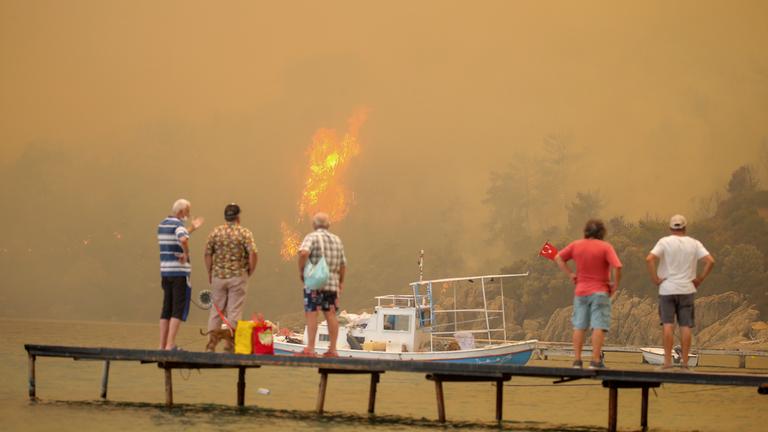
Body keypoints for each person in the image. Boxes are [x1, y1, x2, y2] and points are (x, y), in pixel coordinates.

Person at [646, 214, 714, 369]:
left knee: (668, 326)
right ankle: (684, 363)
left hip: (667, 289)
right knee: (685, 326)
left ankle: (667, 362)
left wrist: (656, 279)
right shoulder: (694, 244)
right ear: (685, 228)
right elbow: (710, 261)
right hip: (687, 290)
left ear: (670, 228)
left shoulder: (664, 242)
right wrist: (699, 279)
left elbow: (649, 259)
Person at [555, 219, 622, 369]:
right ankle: (595, 360)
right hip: (600, 292)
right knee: (598, 326)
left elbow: (558, 257)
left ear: (586, 231)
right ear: (602, 232)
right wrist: (615, 285)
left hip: (581, 292)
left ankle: (577, 361)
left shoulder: (576, 245)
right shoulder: (605, 247)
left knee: (579, 326)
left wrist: (571, 274)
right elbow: (617, 266)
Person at [204, 203, 258, 353]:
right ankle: (230, 345)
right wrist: (250, 270)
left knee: (216, 311)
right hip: (238, 276)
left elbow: (207, 253)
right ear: (238, 217)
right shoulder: (244, 233)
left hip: (218, 277)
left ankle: (211, 345)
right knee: (234, 311)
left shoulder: (215, 232)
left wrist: (210, 272)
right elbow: (253, 254)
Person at [297, 212, 347, 357]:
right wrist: (341, 281)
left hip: (314, 283)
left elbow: (304, 253)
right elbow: (343, 264)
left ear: (314, 225)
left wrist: (301, 270)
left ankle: (311, 349)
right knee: (330, 314)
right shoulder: (337, 240)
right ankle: (333, 349)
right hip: (331, 284)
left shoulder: (312, 237)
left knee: (312, 313)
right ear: (328, 225)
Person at [157, 199, 204, 350]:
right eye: (188, 212)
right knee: (177, 308)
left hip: (165, 272)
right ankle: (170, 344)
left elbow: (179, 236)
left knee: (166, 309)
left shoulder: (162, 224)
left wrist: (192, 228)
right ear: (181, 211)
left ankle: (162, 345)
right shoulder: (178, 225)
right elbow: (182, 239)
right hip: (179, 273)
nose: (188, 215)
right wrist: (186, 254)